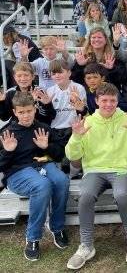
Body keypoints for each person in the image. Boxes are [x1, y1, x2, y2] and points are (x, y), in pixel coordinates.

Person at [65, 83, 127, 270]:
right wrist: (76, 137)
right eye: (104, 100)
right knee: (85, 196)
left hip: (122, 169)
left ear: (117, 101)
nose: (108, 104)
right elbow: (72, 156)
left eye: (112, 100)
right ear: (96, 101)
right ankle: (86, 245)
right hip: (95, 170)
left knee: (121, 195)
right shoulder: (87, 122)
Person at [0, 92, 69, 261]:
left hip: (43, 165)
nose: (26, 115)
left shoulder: (43, 128)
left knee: (61, 180)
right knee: (42, 185)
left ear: (35, 109)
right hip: (17, 172)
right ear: (15, 112)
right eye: (21, 112)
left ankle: (57, 227)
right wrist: (8, 152)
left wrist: (47, 147)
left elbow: (60, 155)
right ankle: (32, 237)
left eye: (29, 111)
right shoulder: (7, 133)